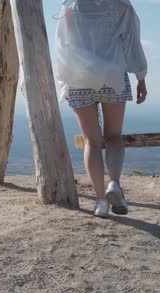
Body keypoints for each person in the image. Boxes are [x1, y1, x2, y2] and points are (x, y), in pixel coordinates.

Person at [55, 0, 148, 217]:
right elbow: (132, 44)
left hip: (79, 77)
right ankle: (114, 184)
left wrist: (64, 81)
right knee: (114, 136)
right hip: (113, 74)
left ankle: (100, 202)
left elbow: (63, 46)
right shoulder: (123, 6)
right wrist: (141, 78)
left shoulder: (70, 8)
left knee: (91, 142)